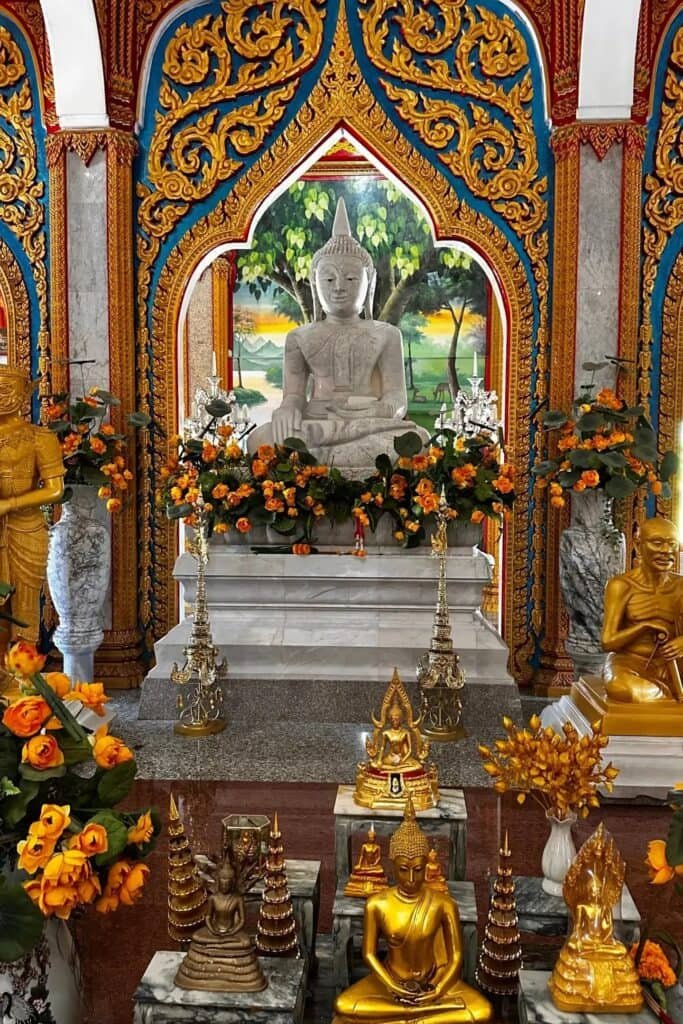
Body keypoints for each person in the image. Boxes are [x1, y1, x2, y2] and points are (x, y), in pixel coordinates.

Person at [247, 198, 429, 472]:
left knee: (419, 440)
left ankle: (321, 465)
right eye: (329, 279)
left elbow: (396, 400)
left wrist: (374, 411)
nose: (339, 287)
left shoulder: (387, 335)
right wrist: (287, 410)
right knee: (259, 439)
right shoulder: (299, 337)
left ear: (369, 285)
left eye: (352, 279)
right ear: (315, 284)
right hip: (316, 424)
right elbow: (294, 396)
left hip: (368, 424)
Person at [334, 796, 492, 1024]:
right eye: (403, 870)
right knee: (344, 1005)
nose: (410, 879)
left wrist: (436, 991)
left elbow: (456, 957)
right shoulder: (377, 904)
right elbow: (368, 954)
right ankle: (418, 1018)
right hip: (390, 983)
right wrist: (393, 986)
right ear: (391, 866)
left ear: (427, 865)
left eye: (418, 870)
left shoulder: (443, 903)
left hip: (433, 984)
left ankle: (410, 1018)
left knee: (482, 1010)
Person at [0, 365, 64, 644]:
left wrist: (9, 504)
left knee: (25, 602)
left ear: (25, 393)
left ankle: (22, 673)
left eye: (7, 389)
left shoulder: (41, 438)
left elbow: (55, 489)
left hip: (25, 529)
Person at [602, 517, 683, 703]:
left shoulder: (680, 586)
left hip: (674, 666)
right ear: (638, 546)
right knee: (622, 688)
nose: (666, 551)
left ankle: (663, 697)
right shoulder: (621, 586)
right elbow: (607, 642)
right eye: (657, 543)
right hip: (630, 663)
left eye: (672, 544)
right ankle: (667, 699)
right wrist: (644, 626)